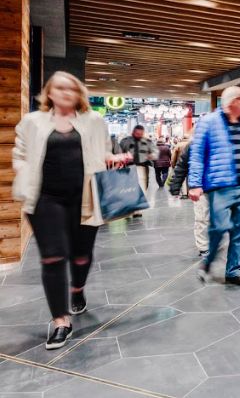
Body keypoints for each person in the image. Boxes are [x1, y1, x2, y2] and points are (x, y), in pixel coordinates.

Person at [12, 72, 129, 349]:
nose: (65, 92)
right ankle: (60, 321)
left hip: (85, 197)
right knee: (52, 257)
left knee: (81, 256)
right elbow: (20, 155)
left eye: (71, 88)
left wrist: (114, 158)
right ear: (49, 93)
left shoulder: (94, 121)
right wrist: (23, 173)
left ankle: (77, 289)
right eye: (59, 88)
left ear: (79, 94)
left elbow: (103, 152)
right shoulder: (32, 121)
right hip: (45, 199)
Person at [189, 86, 240, 286]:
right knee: (219, 228)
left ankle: (234, 272)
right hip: (221, 186)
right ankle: (207, 262)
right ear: (234, 101)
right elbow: (197, 155)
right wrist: (194, 183)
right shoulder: (208, 122)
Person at [168, 135, 208, 257]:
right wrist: (175, 185)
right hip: (201, 187)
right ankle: (204, 247)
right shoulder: (194, 144)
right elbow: (182, 166)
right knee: (202, 217)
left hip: (221, 188)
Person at [119, 125, 157, 217]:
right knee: (129, 189)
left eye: (141, 134)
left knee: (142, 188)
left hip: (142, 167)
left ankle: (137, 209)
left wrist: (150, 156)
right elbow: (119, 153)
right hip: (128, 168)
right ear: (133, 132)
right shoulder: (125, 141)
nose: (139, 135)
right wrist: (123, 158)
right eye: (137, 133)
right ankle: (131, 209)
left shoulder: (147, 142)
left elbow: (155, 153)